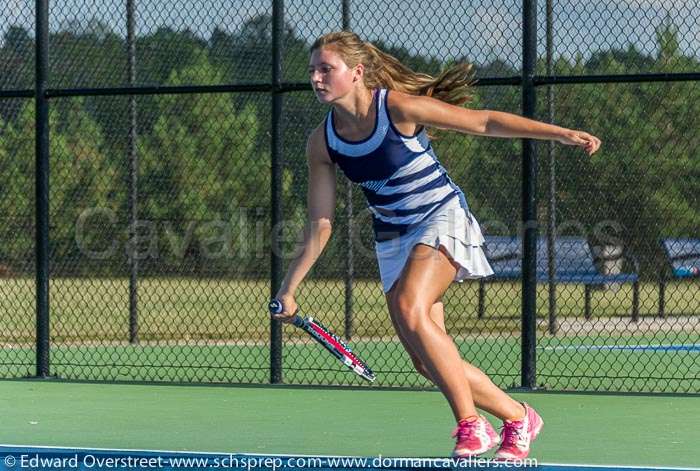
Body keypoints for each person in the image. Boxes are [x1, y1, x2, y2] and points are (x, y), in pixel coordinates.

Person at [272, 31, 601, 460]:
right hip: (393, 237)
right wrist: (288, 288)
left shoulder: (398, 108)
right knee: (427, 361)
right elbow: (321, 223)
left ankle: (470, 425)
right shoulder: (323, 141)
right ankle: (518, 417)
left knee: (411, 307)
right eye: (312, 70)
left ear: (356, 73)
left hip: (441, 217)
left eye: (325, 69)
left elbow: (483, 121)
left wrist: (558, 133)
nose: (316, 78)